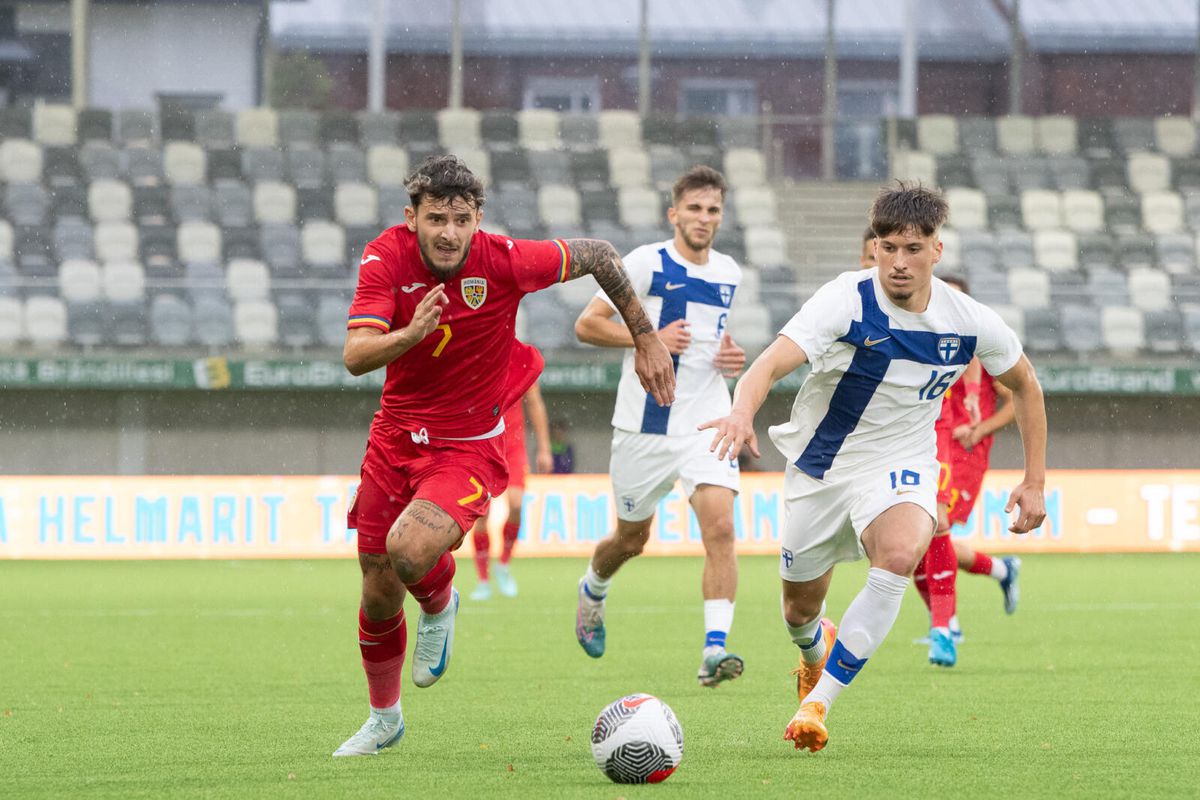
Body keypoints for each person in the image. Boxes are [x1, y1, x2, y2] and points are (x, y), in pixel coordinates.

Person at [333, 154, 674, 757]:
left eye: (460, 219)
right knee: (378, 584)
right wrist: (410, 334)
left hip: (467, 442)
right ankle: (383, 719)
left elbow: (597, 252)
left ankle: (441, 601)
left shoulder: (505, 259)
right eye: (435, 218)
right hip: (394, 434)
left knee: (409, 552)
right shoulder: (385, 256)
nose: (448, 232)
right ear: (411, 218)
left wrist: (645, 335)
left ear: (477, 218)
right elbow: (356, 355)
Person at [700, 182, 1047, 752]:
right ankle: (815, 648)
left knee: (900, 551)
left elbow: (1025, 385)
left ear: (937, 250)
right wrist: (740, 412)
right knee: (798, 611)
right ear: (875, 247)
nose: (899, 262)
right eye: (888, 248)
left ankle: (818, 705)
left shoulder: (969, 320)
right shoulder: (845, 299)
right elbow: (770, 363)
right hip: (820, 468)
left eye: (913, 249)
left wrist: (1034, 481)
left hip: (901, 461)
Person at [573, 165, 748, 687]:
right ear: (674, 214)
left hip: (704, 420)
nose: (704, 218)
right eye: (694, 208)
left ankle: (714, 651)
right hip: (644, 426)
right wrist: (647, 339)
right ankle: (593, 589)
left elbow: (714, 334)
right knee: (630, 540)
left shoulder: (730, 272)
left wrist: (729, 354)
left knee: (719, 528)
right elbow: (587, 325)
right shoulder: (645, 262)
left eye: (713, 209)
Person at [913, 274, 1021, 666]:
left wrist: (979, 428)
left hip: (962, 452)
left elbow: (1016, 398)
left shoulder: (983, 345)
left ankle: (947, 624)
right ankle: (999, 572)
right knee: (918, 538)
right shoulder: (930, 339)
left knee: (933, 531)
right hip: (931, 442)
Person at [469, 381, 553, 600]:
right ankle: (483, 580)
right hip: (484, 447)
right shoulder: (479, 360)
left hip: (513, 447)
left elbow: (535, 405)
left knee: (516, 504)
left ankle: (503, 564)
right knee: (481, 513)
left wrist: (544, 448)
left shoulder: (520, 359)